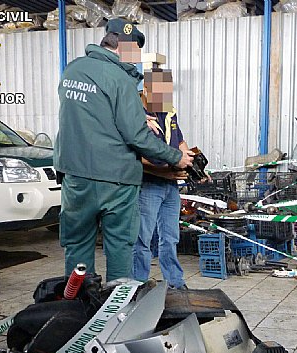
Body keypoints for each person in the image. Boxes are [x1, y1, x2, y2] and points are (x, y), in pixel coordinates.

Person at [54, 19, 193, 283]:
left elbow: (90, 116)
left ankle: (78, 305)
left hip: (75, 178)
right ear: (124, 46)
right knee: (120, 246)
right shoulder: (121, 78)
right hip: (115, 181)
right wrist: (177, 157)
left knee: (77, 245)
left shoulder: (73, 70)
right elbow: (136, 136)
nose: (137, 58)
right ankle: (117, 310)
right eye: (136, 50)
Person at [133, 67, 189, 289]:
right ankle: (138, 285)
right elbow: (134, 157)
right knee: (142, 239)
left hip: (171, 186)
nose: (165, 97)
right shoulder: (135, 114)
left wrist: (193, 162)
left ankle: (175, 282)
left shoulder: (168, 112)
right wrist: (166, 170)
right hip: (148, 186)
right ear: (146, 89)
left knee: (170, 237)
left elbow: (180, 141)